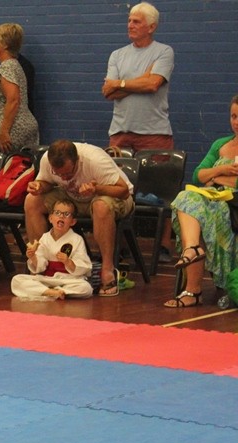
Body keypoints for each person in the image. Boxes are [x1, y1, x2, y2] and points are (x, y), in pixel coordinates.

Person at [101, 2, 175, 261]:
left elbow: (153, 84)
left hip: (155, 131)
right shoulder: (117, 55)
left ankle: (164, 245)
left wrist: (121, 83)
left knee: (163, 187)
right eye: (130, 20)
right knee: (117, 187)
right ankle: (118, 245)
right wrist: (139, 81)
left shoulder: (164, 52)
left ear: (151, 27)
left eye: (137, 21)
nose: (130, 25)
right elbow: (108, 92)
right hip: (120, 131)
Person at [24, 140, 133, 297]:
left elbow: (124, 191)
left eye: (68, 173)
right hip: (74, 197)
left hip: (110, 196)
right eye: (58, 174)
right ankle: (40, 264)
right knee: (32, 200)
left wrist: (96, 188)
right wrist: (39, 186)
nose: (64, 178)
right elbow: (46, 182)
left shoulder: (94, 160)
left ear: (77, 160)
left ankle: (107, 269)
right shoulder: (47, 159)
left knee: (101, 206)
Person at [163, 95, 238, 308]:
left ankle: (193, 289)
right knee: (185, 198)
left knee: (197, 214)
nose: (236, 122)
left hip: (233, 204)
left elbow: (222, 180)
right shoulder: (220, 144)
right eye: (233, 116)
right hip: (210, 199)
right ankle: (192, 248)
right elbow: (198, 175)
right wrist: (223, 170)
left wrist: (214, 177)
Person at [0, 23, 39, 152]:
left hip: (12, 131)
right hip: (21, 127)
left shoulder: (6, 67)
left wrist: (4, 131)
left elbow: (13, 100)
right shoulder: (14, 65)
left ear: (5, 45)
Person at [11, 199, 93, 299]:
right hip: (47, 279)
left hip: (68, 279)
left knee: (86, 288)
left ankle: (57, 291)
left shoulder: (77, 239)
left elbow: (83, 264)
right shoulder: (45, 238)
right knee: (17, 280)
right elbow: (41, 265)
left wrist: (68, 262)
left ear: (72, 222)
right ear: (50, 218)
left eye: (66, 214)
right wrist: (33, 258)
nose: (61, 216)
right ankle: (51, 292)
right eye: (57, 213)